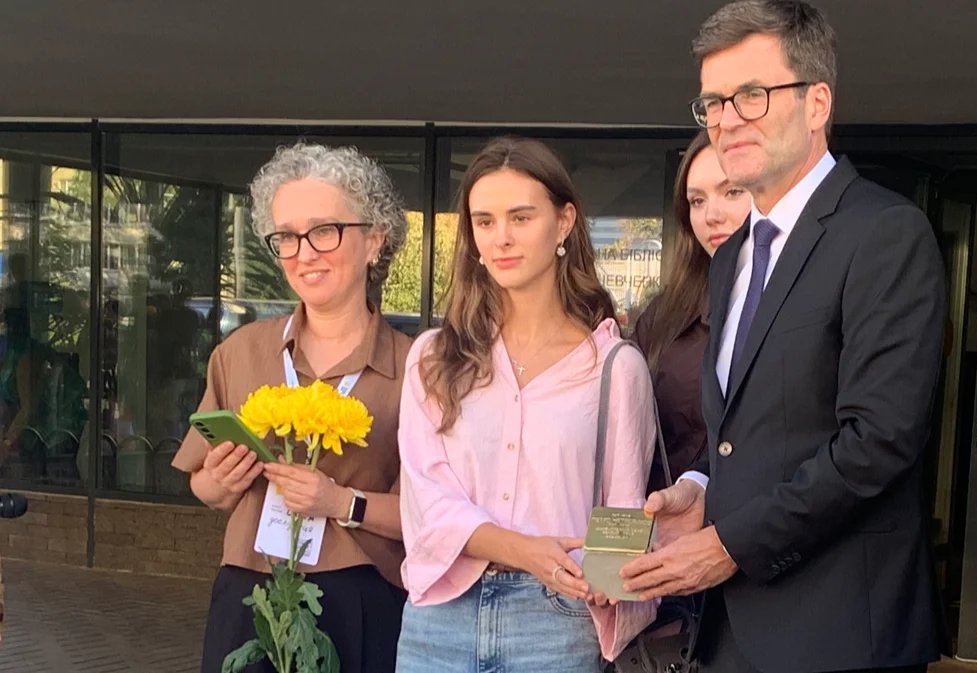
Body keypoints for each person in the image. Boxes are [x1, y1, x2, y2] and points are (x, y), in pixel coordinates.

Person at [619, 2, 947, 672]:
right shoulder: (733, 255)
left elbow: (877, 441)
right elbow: (755, 431)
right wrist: (699, 484)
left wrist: (728, 543)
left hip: (839, 635)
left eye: (752, 94)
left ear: (816, 102)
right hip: (732, 630)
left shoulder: (884, 233)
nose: (726, 117)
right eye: (713, 100)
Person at [394, 137, 658, 672]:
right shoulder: (434, 357)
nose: (501, 239)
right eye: (484, 222)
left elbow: (622, 511)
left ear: (563, 223)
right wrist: (523, 549)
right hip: (438, 619)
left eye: (520, 217)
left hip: (557, 621)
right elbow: (426, 501)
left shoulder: (613, 366)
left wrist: (610, 582)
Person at [171, 142, 411, 673]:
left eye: (324, 231)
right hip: (248, 590)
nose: (303, 253)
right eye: (285, 237)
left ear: (375, 239)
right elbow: (204, 489)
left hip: (359, 597)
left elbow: (433, 517)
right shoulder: (240, 352)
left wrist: (343, 502)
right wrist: (222, 482)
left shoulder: (417, 368)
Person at [632, 131, 751, 492]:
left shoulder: (800, 301)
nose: (711, 215)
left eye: (732, 192)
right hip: (667, 526)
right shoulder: (664, 314)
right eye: (696, 201)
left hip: (764, 532)